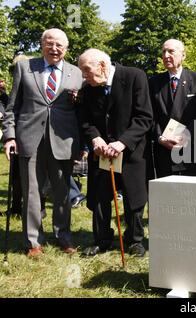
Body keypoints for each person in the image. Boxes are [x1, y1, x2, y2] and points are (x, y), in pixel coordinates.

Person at [2, 28, 82, 257]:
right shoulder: (24, 67)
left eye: (59, 45)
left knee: (63, 192)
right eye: (50, 43)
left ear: (66, 48)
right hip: (29, 139)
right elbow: (12, 107)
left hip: (63, 140)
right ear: (42, 44)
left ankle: (64, 237)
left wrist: (82, 145)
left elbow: (81, 112)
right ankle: (34, 241)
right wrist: (9, 136)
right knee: (32, 193)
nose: (54, 48)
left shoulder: (76, 73)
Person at [78, 48, 153, 257]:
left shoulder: (134, 76)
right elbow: (85, 120)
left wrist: (122, 142)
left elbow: (144, 117)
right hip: (102, 154)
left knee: (134, 199)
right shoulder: (88, 87)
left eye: (86, 70)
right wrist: (95, 137)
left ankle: (134, 240)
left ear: (102, 66)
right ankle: (101, 239)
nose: (84, 75)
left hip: (130, 152)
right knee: (99, 197)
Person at [149, 39, 196, 178]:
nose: (165, 55)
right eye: (163, 52)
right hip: (164, 152)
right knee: (167, 197)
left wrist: (185, 135)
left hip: (192, 151)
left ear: (183, 55)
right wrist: (160, 138)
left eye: (171, 51)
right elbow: (151, 116)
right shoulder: (154, 82)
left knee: (194, 197)